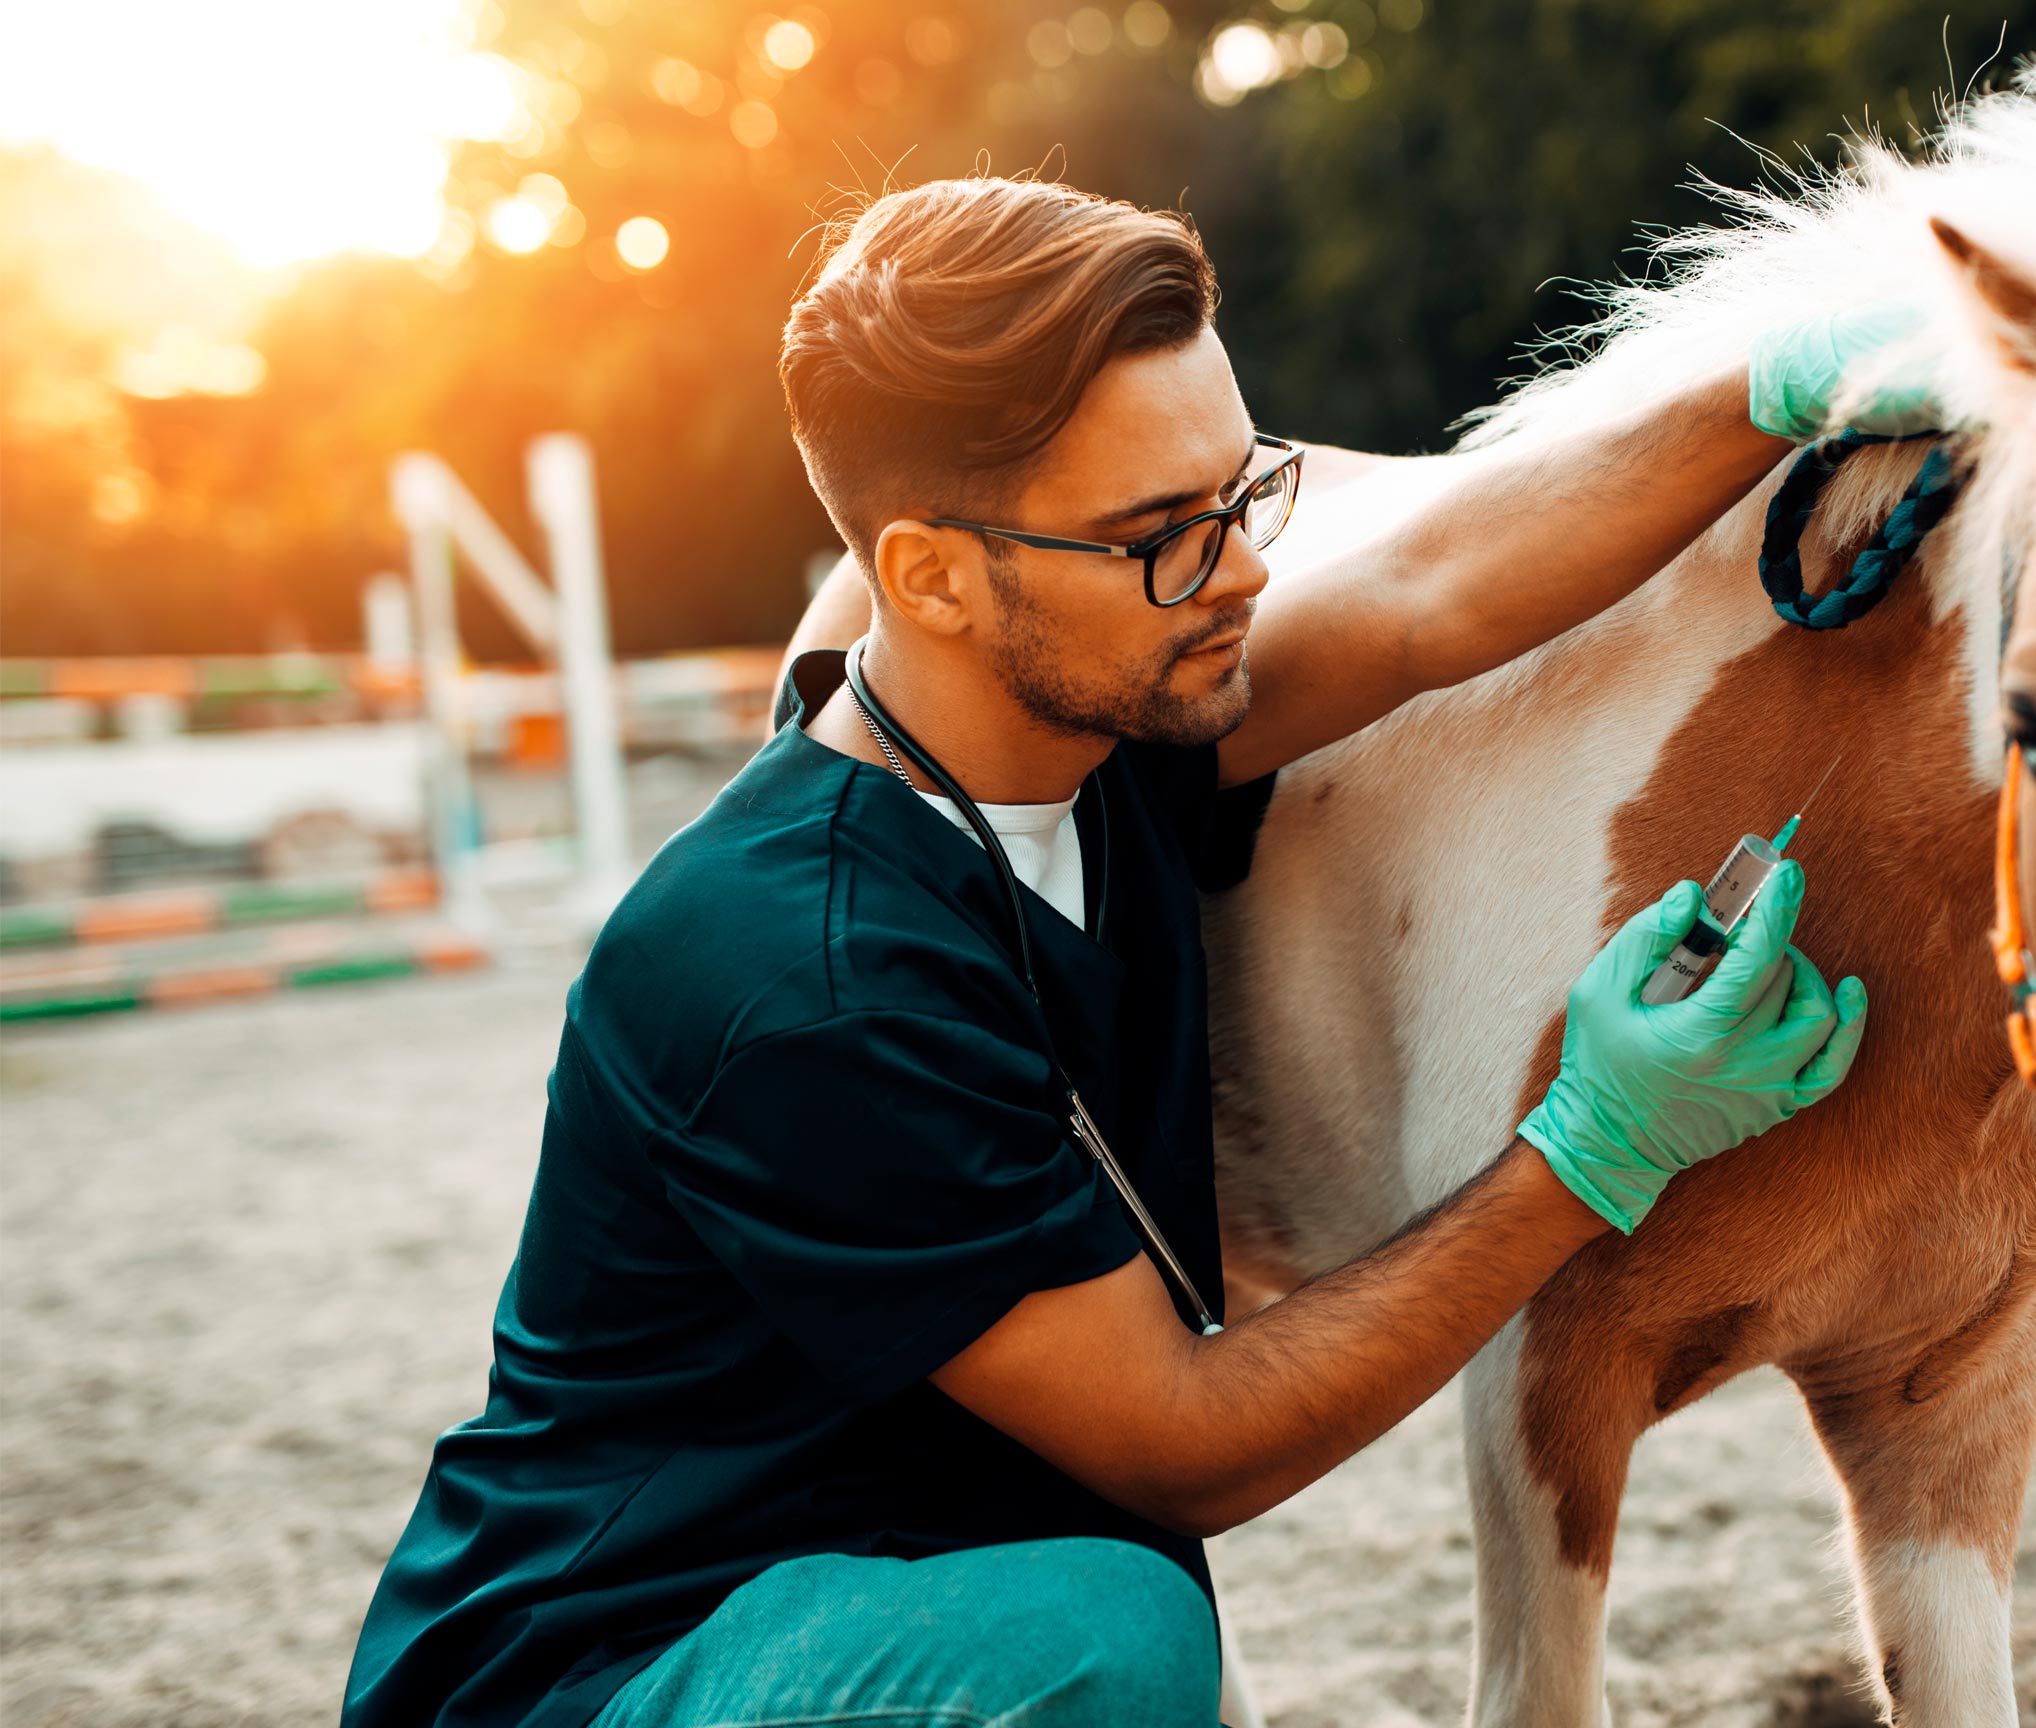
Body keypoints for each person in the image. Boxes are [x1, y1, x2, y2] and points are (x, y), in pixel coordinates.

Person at [344, 175, 1920, 1728]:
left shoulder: (1089, 728)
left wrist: (1775, 393)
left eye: (1246, 495)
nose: (1241, 571)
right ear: (934, 578)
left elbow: (1425, 598)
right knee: (1101, 1645)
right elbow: (1188, 1445)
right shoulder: (808, 978)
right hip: (616, 1669)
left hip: (878, 1577)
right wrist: (1592, 1146)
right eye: (1165, 534)